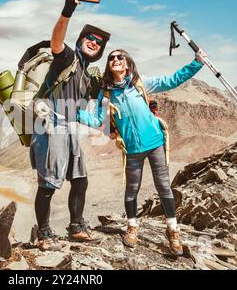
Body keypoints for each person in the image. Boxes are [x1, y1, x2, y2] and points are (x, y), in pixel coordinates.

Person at [78, 48, 207, 255]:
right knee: (132, 190)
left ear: (127, 63)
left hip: (155, 143)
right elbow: (97, 121)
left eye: (120, 57)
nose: (116, 59)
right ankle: (132, 227)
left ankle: (173, 230)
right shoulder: (106, 93)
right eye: (111, 57)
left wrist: (197, 62)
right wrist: (74, 113)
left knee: (164, 187)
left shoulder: (140, 83)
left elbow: (172, 80)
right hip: (132, 149)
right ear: (108, 65)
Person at [30, 0, 111, 251]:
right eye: (90, 38)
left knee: (80, 179)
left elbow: (89, 109)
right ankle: (43, 234)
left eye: (99, 43)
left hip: (69, 127)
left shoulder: (89, 75)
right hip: (50, 124)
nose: (94, 42)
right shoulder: (67, 59)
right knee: (48, 184)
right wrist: (68, 9)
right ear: (80, 40)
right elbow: (56, 40)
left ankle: (76, 227)